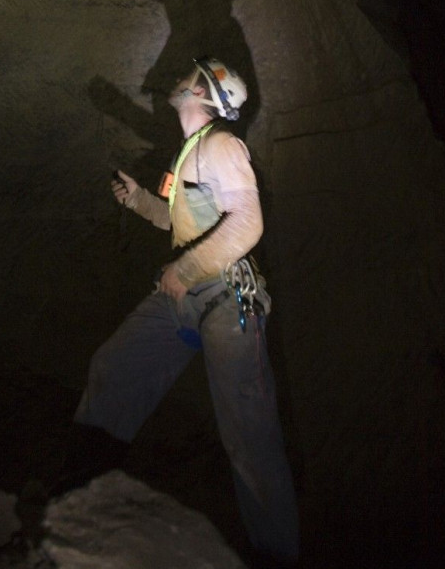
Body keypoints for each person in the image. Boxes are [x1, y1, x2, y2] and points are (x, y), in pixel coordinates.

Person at [72, 57, 299, 566]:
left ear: (204, 93)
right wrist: (140, 202)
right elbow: (183, 223)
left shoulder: (221, 146)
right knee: (114, 366)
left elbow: (246, 224)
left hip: (224, 300)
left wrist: (187, 269)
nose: (181, 79)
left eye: (191, 77)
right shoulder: (189, 151)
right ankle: (83, 487)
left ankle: (276, 554)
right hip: (184, 296)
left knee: (249, 434)